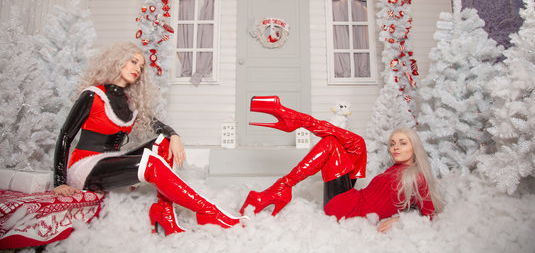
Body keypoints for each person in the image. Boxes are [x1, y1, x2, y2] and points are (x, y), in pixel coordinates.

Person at [53, 42, 244, 235]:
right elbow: (65, 136)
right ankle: (208, 212)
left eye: (141, 66)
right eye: (133, 61)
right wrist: (59, 182)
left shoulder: (129, 102)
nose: (137, 68)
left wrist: (174, 135)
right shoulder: (93, 95)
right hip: (85, 167)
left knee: (165, 143)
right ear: (117, 61)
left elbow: (156, 124)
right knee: (152, 163)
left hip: (109, 161)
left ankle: (164, 212)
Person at [240, 96, 444, 233]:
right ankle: (295, 123)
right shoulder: (396, 169)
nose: (395, 148)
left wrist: (399, 221)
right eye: (392, 144)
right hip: (352, 198)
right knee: (352, 144)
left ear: (414, 147)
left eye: (402, 143)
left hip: (347, 209)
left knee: (333, 143)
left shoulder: (417, 177)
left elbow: (430, 216)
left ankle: (294, 124)